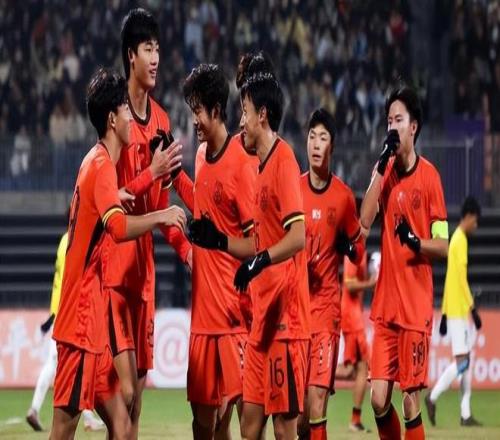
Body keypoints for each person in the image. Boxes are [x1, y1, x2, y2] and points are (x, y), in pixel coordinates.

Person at [49, 67, 186, 440]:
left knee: (123, 424)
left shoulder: (95, 162)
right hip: (79, 323)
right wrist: (160, 215)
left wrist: (134, 186)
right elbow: (118, 227)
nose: (131, 117)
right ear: (112, 119)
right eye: (125, 109)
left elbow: (107, 206)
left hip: (90, 322)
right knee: (63, 430)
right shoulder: (101, 167)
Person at [188, 72, 310, 440]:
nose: (241, 120)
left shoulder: (284, 161)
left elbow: (298, 236)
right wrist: (219, 241)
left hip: (284, 322)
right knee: (249, 427)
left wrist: (261, 261)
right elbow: (256, 242)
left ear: (263, 115)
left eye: (245, 111)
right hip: (260, 321)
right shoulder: (260, 166)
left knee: (285, 429)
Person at [102, 9, 192, 438]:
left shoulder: (162, 121)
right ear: (130, 56)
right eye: (147, 49)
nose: (155, 58)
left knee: (135, 406)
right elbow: (110, 202)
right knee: (122, 396)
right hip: (113, 274)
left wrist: (188, 251)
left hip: (144, 279)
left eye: (157, 48)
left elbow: (162, 208)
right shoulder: (113, 116)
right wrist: (151, 172)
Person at [169, 63, 256, 439]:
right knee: (203, 423)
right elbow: (205, 205)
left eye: (198, 111)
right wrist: (174, 174)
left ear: (217, 110)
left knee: (248, 422)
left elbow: (257, 244)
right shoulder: (202, 155)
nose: (194, 120)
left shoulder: (243, 164)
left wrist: (219, 240)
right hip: (202, 320)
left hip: (234, 316)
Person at [360, 83, 449, 439]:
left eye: (398, 120)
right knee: (378, 399)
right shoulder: (384, 171)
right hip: (386, 306)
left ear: (413, 127)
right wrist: (380, 166)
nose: (392, 126)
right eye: (389, 121)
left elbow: (443, 246)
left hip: (414, 306)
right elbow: (365, 219)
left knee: (410, 400)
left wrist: (415, 242)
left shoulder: (430, 178)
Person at [297, 108, 365, 440]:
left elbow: (359, 249)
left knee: (317, 400)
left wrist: (349, 247)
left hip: (326, 313)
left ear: (332, 146)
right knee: (298, 418)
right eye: (312, 136)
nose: (315, 143)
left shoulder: (344, 197)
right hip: (295, 313)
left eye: (322, 137)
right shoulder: (293, 189)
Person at [26, 226, 103, 432]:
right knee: (63, 362)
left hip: (60, 309)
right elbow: (72, 277)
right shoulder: (76, 239)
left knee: (66, 363)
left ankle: (84, 415)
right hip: (68, 310)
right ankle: (36, 409)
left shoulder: (65, 240)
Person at [425, 196, 482, 427]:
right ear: (469, 216)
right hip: (459, 310)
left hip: (455, 309)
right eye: (475, 221)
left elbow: (450, 279)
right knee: (463, 363)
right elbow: (459, 278)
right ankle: (433, 396)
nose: (476, 226)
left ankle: (465, 414)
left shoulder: (456, 239)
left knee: (466, 360)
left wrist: (445, 312)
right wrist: (472, 307)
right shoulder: (460, 240)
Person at [338, 246, 377, 432]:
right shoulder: (353, 252)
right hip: (351, 317)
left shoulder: (361, 251)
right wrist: (371, 283)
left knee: (351, 371)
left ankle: (314, 376)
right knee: (363, 367)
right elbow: (349, 284)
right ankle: (355, 420)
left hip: (353, 314)